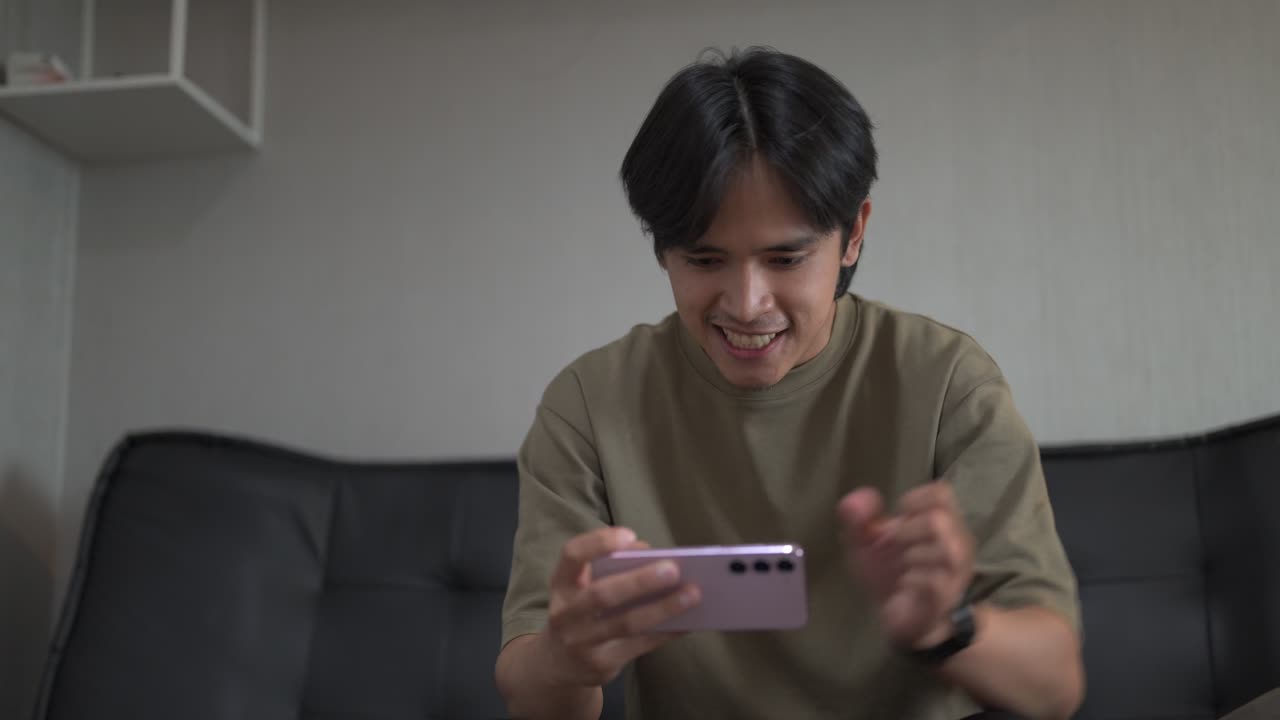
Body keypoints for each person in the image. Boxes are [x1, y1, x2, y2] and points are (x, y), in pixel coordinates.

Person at [494, 46, 1084, 720]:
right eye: (705, 258)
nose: (747, 303)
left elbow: (1054, 686)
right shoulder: (590, 406)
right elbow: (537, 694)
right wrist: (566, 660)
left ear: (853, 234)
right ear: (663, 249)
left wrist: (943, 626)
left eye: (786, 258)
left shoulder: (947, 381)